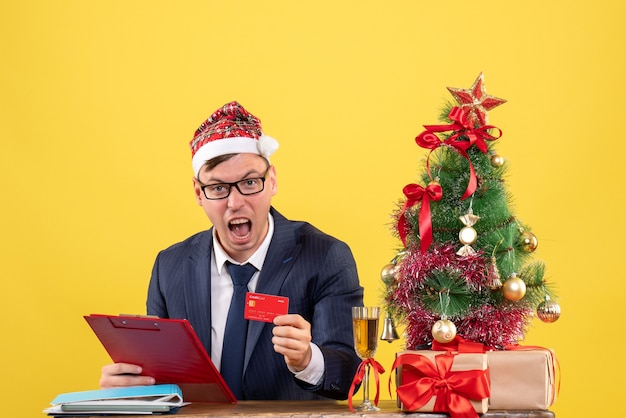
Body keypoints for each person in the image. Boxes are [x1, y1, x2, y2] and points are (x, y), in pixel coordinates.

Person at [99, 101, 364, 400]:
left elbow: (349, 376)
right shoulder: (169, 266)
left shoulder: (326, 256)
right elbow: (164, 385)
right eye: (218, 188)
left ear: (272, 181)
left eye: (250, 182)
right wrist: (132, 387)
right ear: (199, 193)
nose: (235, 202)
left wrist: (308, 360)